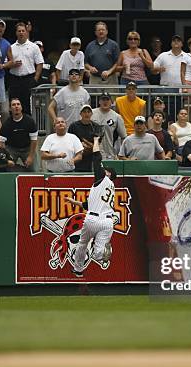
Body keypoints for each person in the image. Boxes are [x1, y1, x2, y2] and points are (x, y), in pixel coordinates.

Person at [66, 135, 117, 278]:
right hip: (107, 222)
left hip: (93, 220)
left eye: (106, 170)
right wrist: (75, 202)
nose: (103, 170)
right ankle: (103, 253)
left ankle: (78, 269)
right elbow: (88, 204)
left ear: (108, 174)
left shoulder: (103, 179)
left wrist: (95, 140)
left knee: (82, 244)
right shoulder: (111, 187)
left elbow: (97, 157)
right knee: (97, 255)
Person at [8, 22, 43, 115]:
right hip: (14, 79)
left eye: (23, 31)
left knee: (28, 106)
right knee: (14, 105)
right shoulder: (11, 47)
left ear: (26, 32)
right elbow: (6, 64)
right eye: (19, 31)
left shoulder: (34, 47)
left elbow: (40, 63)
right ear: (16, 33)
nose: (21, 33)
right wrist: (13, 64)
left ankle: (28, 128)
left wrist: (35, 78)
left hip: (29, 79)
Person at [0, 98, 38, 171]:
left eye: (18, 104)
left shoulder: (30, 121)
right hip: (12, 149)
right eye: (13, 105)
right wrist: (7, 158)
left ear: (21, 107)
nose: (16, 106)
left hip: (28, 148)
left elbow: (34, 140)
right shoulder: (6, 123)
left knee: (34, 170)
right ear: (10, 109)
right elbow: (1, 143)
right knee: (5, 168)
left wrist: (30, 156)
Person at [91, 91, 126, 160]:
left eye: (107, 100)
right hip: (92, 151)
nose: (105, 102)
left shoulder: (117, 117)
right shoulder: (91, 113)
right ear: (99, 102)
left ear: (111, 102)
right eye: (103, 100)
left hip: (109, 152)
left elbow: (123, 137)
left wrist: (121, 154)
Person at [68, 104, 104, 172]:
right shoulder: (73, 126)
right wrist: (81, 146)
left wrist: (86, 144)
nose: (86, 114)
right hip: (77, 157)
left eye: (88, 112)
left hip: (91, 158)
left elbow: (96, 146)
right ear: (80, 114)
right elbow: (70, 142)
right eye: (84, 112)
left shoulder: (96, 127)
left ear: (91, 114)